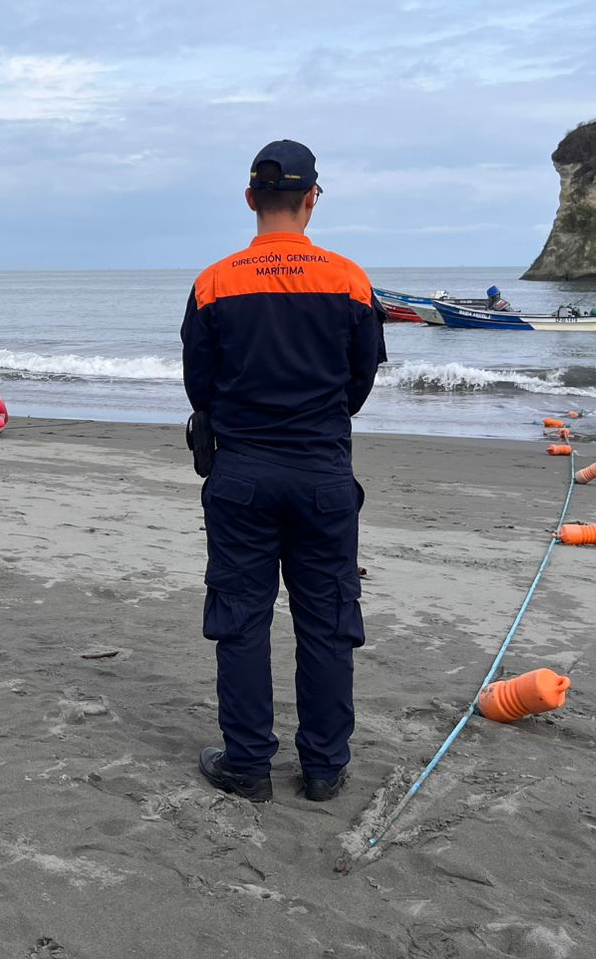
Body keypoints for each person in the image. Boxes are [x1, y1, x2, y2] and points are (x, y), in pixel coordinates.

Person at [181, 139, 385, 803]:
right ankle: (324, 767)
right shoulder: (350, 280)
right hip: (322, 473)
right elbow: (358, 385)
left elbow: (199, 386)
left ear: (250, 199)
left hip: (241, 474)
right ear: (310, 200)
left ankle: (248, 763)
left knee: (241, 618)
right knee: (326, 619)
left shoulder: (214, 282)